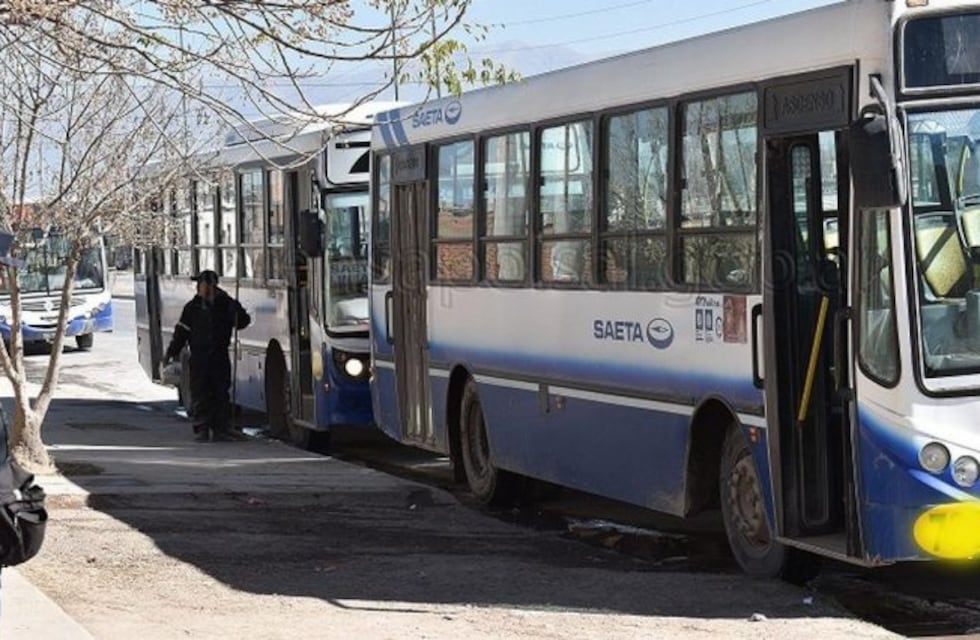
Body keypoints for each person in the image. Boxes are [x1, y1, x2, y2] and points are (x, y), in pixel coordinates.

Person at [164, 270, 251, 442]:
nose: (199, 288)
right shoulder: (192, 307)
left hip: (219, 355)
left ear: (211, 285)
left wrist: (236, 311)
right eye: (199, 285)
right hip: (199, 357)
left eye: (202, 284)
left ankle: (220, 428)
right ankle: (202, 428)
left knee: (220, 392)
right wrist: (171, 353)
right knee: (200, 392)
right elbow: (181, 332)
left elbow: (243, 322)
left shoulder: (226, 304)